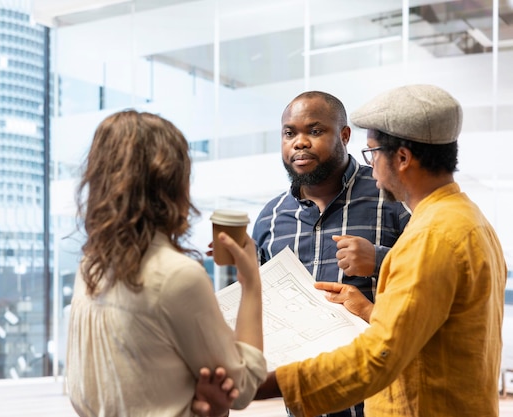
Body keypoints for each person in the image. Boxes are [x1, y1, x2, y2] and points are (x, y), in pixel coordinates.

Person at [194, 84, 508, 416]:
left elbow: (380, 355)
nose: (371, 169)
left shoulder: (434, 234)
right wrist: (370, 312)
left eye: (372, 153)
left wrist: (260, 385)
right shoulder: (464, 218)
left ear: (401, 158)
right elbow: (421, 329)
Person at [65, 110, 267, 417]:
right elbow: (242, 387)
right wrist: (251, 284)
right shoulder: (177, 276)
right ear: (173, 182)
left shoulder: (89, 268)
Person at [252, 90, 410, 416]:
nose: (299, 142)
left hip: (381, 400)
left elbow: (429, 280)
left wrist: (379, 260)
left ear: (345, 135)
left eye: (314, 131)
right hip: (306, 401)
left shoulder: (391, 198)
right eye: (289, 133)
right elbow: (262, 308)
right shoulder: (270, 217)